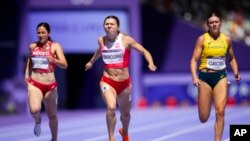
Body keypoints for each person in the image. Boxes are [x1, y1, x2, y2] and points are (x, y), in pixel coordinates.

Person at [85, 15, 157, 141]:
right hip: (107, 81)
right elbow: (100, 51)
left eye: (112, 24)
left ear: (117, 26)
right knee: (111, 107)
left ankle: (125, 132)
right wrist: (91, 62)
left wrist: (150, 63)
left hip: (125, 84)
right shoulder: (101, 40)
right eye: (106, 24)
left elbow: (145, 51)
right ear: (104, 27)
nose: (109, 26)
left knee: (125, 114)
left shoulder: (126, 40)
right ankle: (111, 138)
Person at [190, 12, 241, 141]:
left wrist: (236, 73)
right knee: (203, 117)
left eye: (216, 22)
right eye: (211, 22)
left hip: (221, 77)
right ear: (208, 24)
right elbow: (193, 60)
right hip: (204, 78)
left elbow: (232, 58)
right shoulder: (202, 39)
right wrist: (194, 77)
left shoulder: (227, 39)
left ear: (220, 23)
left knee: (220, 110)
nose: (214, 24)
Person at [25, 22, 68, 141]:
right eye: (38, 32)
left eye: (43, 32)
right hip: (35, 83)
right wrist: (26, 74)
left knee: (52, 116)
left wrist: (53, 60)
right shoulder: (33, 46)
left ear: (48, 33)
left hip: (50, 86)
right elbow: (30, 59)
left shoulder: (55, 46)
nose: (40, 34)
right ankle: (38, 121)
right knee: (34, 110)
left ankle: (54, 139)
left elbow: (64, 65)